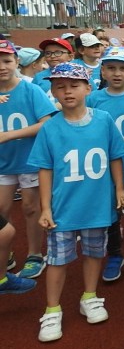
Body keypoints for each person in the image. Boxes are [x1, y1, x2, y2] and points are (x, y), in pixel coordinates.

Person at [30, 62, 124, 342]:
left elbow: (115, 156)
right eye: (60, 86)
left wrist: (120, 189)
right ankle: (52, 309)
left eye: (74, 85)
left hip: (97, 205)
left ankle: (90, 295)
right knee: (58, 260)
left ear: (88, 88)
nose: (67, 91)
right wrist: (46, 207)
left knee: (94, 252)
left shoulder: (103, 120)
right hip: (63, 207)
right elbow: (45, 168)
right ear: (52, 91)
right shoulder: (50, 128)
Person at [86, 46, 124, 282]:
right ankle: (114, 255)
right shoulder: (93, 99)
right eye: (111, 68)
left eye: (123, 68)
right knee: (110, 214)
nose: (117, 73)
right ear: (102, 71)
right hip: (104, 170)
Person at [0, 39, 56, 280]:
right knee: (2, 210)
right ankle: (6, 251)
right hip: (4, 161)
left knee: (31, 207)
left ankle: (35, 254)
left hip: (30, 159)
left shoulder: (30, 89)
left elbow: (46, 123)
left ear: (16, 62)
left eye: (6, 61)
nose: (2, 67)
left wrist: (9, 135)